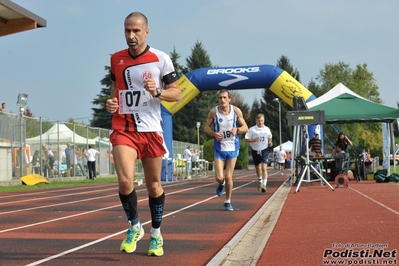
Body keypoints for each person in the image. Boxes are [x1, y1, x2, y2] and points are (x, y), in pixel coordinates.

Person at [105, 12, 181, 256]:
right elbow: (116, 88)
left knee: (154, 186)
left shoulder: (161, 59)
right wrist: (111, 103)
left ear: (146, 32)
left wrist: (158, 92)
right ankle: (134, 225)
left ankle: (156, 234)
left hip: (150, 129)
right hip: (123, 128)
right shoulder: (116, 59)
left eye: (136, 31)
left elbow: (176, 93)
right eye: (127, 31)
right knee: (125, 181)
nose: (131, 36)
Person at [204, 89, 248, 211]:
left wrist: (237, 130)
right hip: (219, 148)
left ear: (229, 99)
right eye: (220, 98)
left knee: (229, 176)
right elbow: (206, 128)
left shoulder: (235, 111)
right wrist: (214, 134)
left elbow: (245, 127)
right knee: (219, 177)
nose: (222, 100)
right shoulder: (214, 112)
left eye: (224, 98)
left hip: (233, 148)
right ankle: (221, 183)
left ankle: (228, 201)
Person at [244, 113, 273, 192]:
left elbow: (270, 136)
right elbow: (246, 139)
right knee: (258, 168)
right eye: (259, 121)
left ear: (264, 120)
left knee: (264, 168)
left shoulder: (267, 129)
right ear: (256, 121)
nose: (260, 122)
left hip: (264, 150)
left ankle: (264, 184)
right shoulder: (252, 130)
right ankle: (260, 180)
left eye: (262, 121)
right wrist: (253, 140)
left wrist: (270, 142)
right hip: (255, 150)